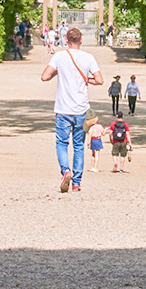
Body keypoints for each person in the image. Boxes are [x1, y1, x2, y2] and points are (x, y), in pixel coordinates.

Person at [41, 27, 102, 192]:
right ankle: (76, 182)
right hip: (81, 109)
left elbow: (44, 76)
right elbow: (100, 80)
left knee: (61, 142)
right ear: (81, 40)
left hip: (63, 108)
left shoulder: (59, 56)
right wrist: (85, 79)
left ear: (66, 40)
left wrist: (58, 73)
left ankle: (65, 170)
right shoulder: (88, 58)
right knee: (79, 146)